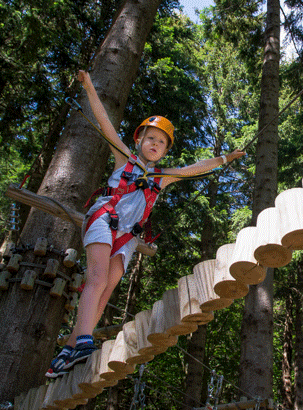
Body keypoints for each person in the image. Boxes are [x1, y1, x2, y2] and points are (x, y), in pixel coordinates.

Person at [46, 70, 245, 378]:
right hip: (104, 218)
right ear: (139, 140)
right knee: (96, 279)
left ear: (165, 151)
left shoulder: (161, 178)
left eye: (161, 142)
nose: (155, 143)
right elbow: (105, 124)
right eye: (150, 138)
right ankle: (84, 341)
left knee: (107, 287)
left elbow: (194, 169)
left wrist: (225, 159)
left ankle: (69, 349)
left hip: (126, 237)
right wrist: (88, 85)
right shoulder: (123, 157)